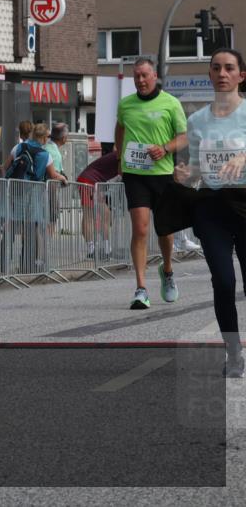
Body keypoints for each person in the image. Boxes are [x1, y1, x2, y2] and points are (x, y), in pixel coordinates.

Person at [176, 48, 246, 378]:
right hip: (212, 207)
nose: (222, 73)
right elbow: (194, 169)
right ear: (210, 75)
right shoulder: (197, 121)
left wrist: (243, 158)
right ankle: (233, 353)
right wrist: (185, 174)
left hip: (245, 204)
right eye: (216, 68)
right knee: (223, 280)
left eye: (229, 68)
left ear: (240, 76)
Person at [114, 57, 187, 309]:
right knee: (141, 229)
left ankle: (167, 271)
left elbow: (184, 137)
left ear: (154, 76)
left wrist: (165, 148)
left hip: (162, 174)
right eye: (136, 76)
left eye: (144, 75)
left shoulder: (171, 103)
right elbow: (120, 128)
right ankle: (141, 288)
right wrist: (120, 157)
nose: (140, 80)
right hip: (136, 175)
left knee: (165, 230)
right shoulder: (125, 104)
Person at [2, 123, 68, 273]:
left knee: (11, 226)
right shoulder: (45, 155)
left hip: (16, 192)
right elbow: (53, 175)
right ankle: (27, 264)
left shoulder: (18, 148)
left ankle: (3, 262)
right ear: (44, 138)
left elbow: (6, 166)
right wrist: (63, 178)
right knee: (30, 229)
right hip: (33, 195)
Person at [77, 150, 120, 259]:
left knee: (105, 214)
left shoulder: (122, 152)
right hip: (88, 181)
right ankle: (92, 250)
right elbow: (122, 172)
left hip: (95, 182)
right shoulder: (122, 153)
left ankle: (106, 248)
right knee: (89, 215)